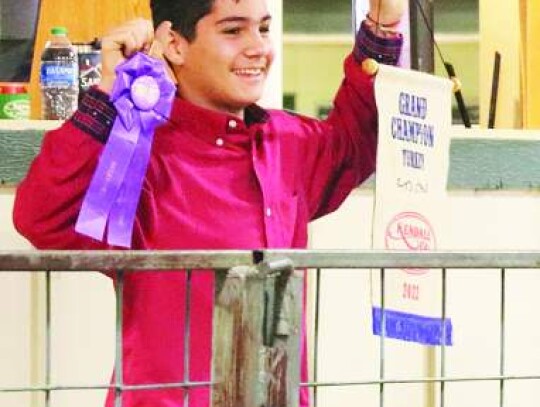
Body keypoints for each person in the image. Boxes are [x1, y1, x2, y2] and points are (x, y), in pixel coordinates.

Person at [13, 0, 405, 406]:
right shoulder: (138, 154)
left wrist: (383, 25)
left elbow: (356, 138)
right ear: (175, 45)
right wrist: (108, 93)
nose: (258, 48)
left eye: (264, 29)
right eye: (233, 31)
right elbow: (43, 218)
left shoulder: (290, 142)